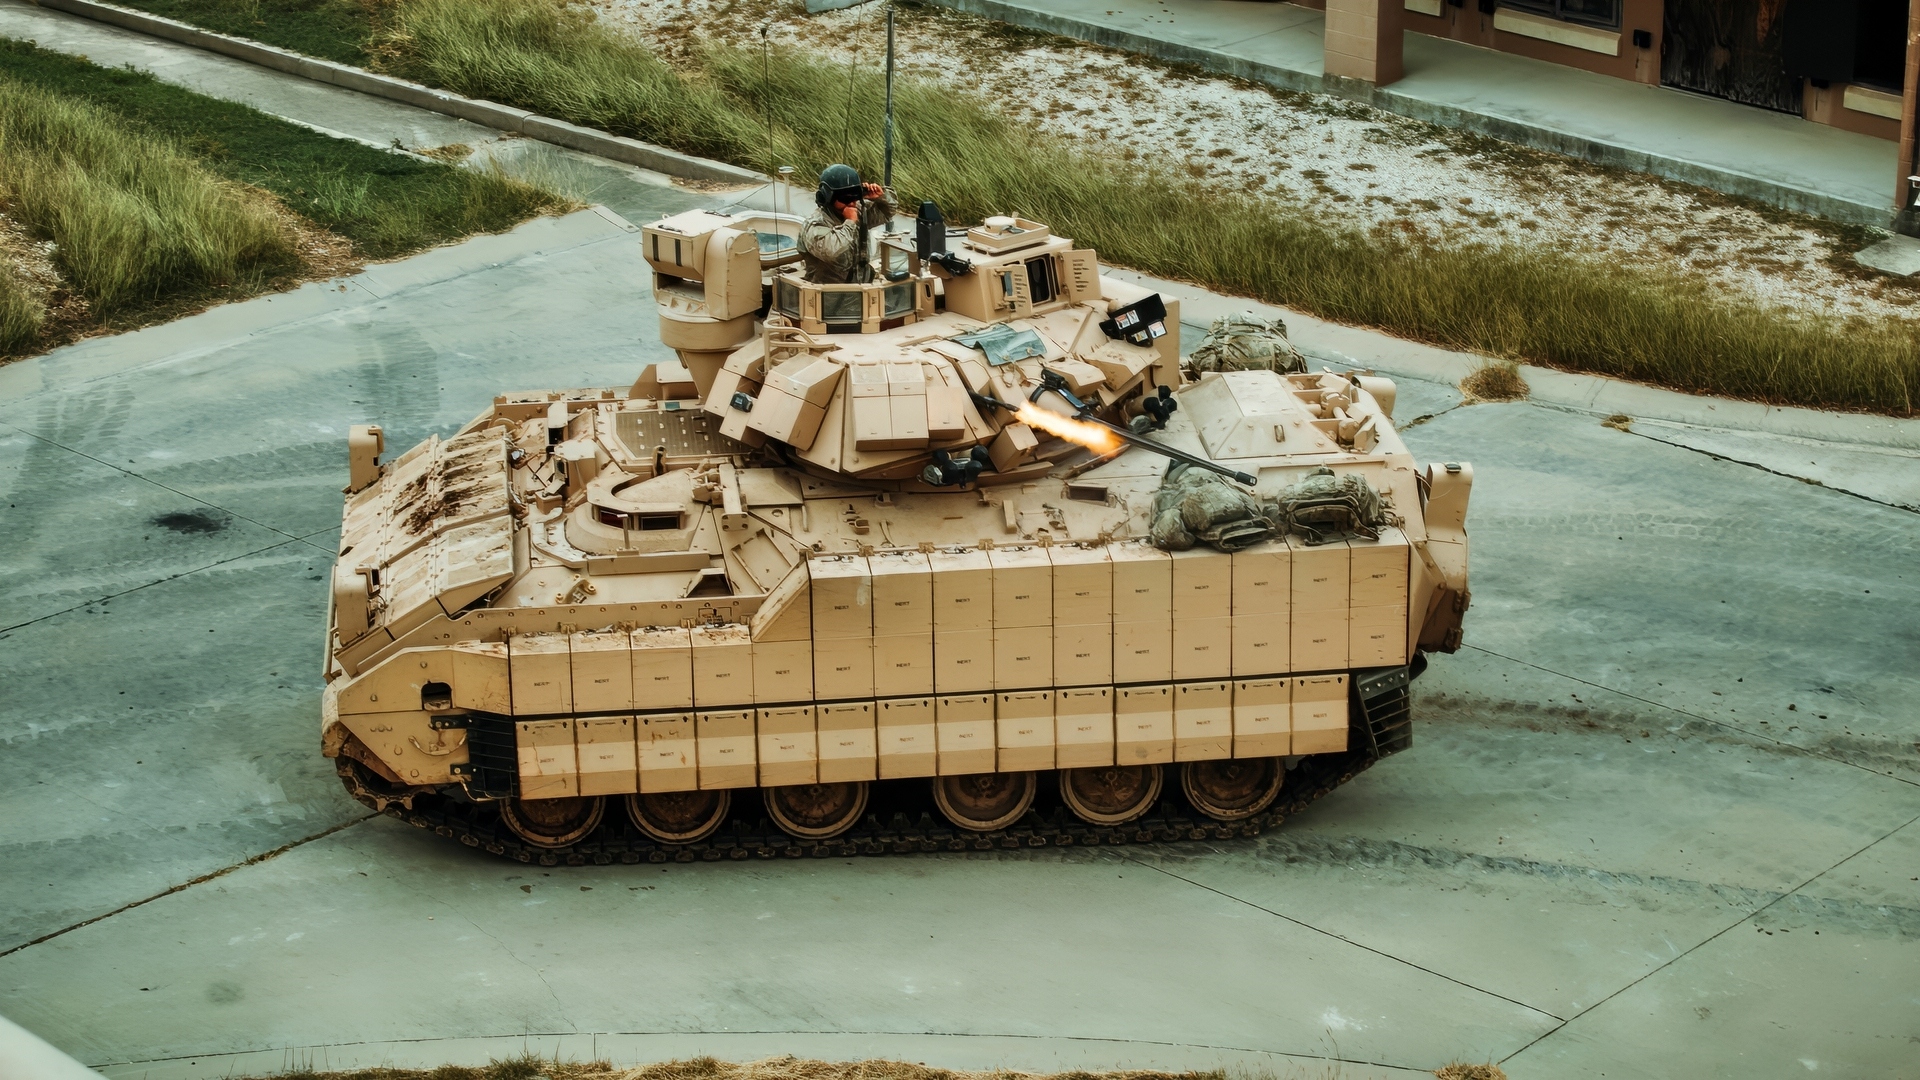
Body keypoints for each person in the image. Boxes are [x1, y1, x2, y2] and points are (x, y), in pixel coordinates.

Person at [799, 163, 892, 284]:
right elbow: (832, 251)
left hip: (859, 287)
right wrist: (850, 222)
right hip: (828, 293)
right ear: (828, 197)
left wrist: (881, 197)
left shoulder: (858, 210)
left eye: (854, 197)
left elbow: (887, 213)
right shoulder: (816, 224)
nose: (852, 204)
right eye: (845, 199)